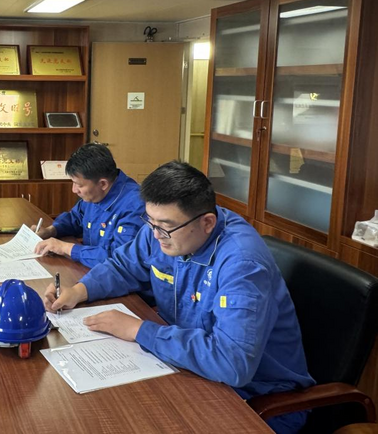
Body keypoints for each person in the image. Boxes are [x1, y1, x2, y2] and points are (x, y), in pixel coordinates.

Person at [44, 161, 314, 434]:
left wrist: (139, 330)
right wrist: (78, 291)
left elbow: (232, 362)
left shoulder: (241, 264)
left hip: (255, 398)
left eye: (164, 227)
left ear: (207, 222)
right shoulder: (165, 230)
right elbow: (124, 266)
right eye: (150, 222)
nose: (155, 235)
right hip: (188, 370)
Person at [33, 143, 144, 268]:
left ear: (103, 184)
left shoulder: (135, 206)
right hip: (90, 269)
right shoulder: (95, 194)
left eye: (79, 185)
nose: (74, 190)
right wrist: (51, 230)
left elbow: (120, 259)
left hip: (116, 277)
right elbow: (75, 218)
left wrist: (65, 248)